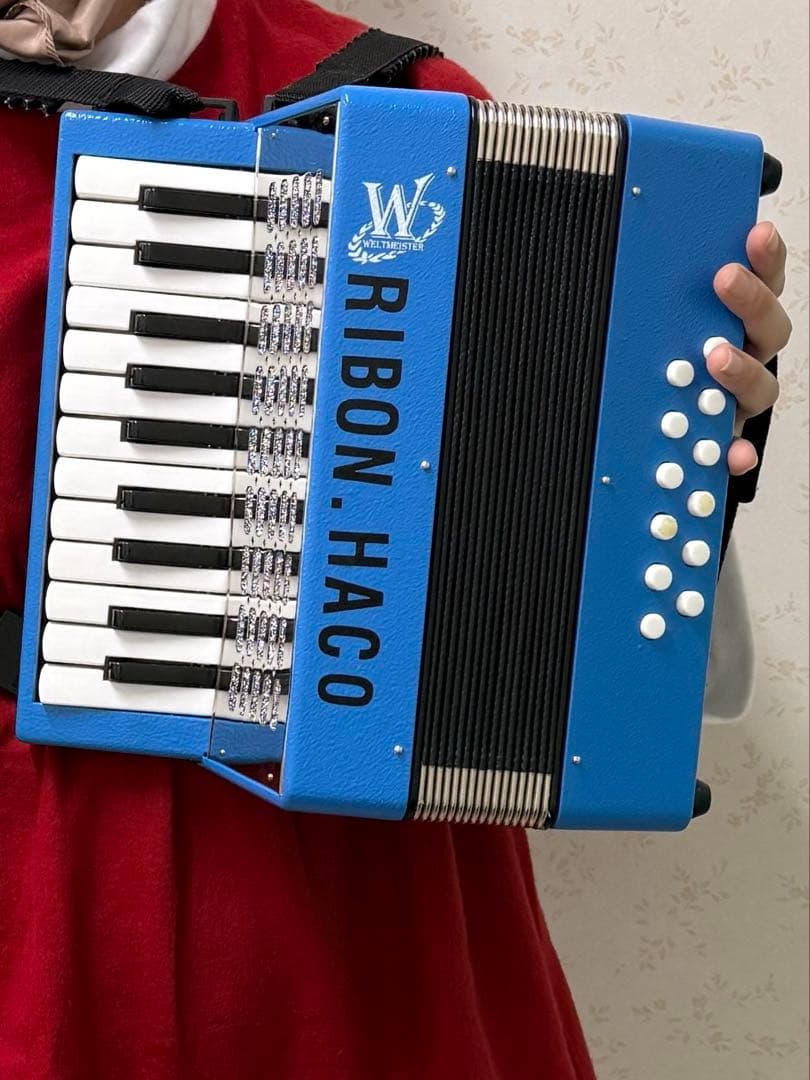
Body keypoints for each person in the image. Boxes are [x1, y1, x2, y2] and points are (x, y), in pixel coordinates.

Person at [0, 2, 792, 1078]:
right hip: (33, 906)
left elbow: (670, 681)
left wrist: (691, 456)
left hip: (366, 930)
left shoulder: (411, 108)